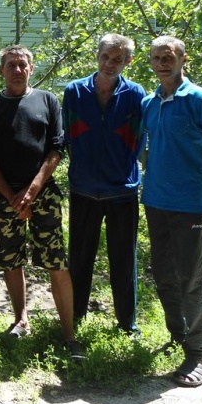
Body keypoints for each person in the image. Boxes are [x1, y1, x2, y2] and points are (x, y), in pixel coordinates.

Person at [0, 45, 84, 361]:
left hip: (44, 194)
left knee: (55, 260)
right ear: (1, 71)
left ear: (31, 69)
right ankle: (20, 319)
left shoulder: (47, 100)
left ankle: (68, 333)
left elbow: (56, 148)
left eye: (23, 65)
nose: (17, 70)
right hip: (3, 195)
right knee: (11, 259)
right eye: (11, 65)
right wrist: (11, 195)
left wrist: (32, 190)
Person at [141, 36, 202, 388]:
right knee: (163, 273)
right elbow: (150, 146)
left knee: (191, 279)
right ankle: (177, 335)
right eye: (156, 57)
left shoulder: (201, 100)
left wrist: (201, 187)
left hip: (189, 205)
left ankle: (197, 354)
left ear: (183, 59)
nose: (162, 62)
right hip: (155, 202)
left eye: (168, 56)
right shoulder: (151, 102)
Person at [63, 34, 146, 337]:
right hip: (83, 188)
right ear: (97, 56)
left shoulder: (136, 94)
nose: (110, 64)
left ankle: (127, 324)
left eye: (118, 59)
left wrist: (121, 168)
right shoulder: (74, 91)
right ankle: (75, 315)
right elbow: (70, 135)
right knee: (80, 257)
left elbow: (138, 141)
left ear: (128, 61)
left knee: (123, 259)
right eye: (106, 57)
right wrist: (83, 165)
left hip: (122, 190)